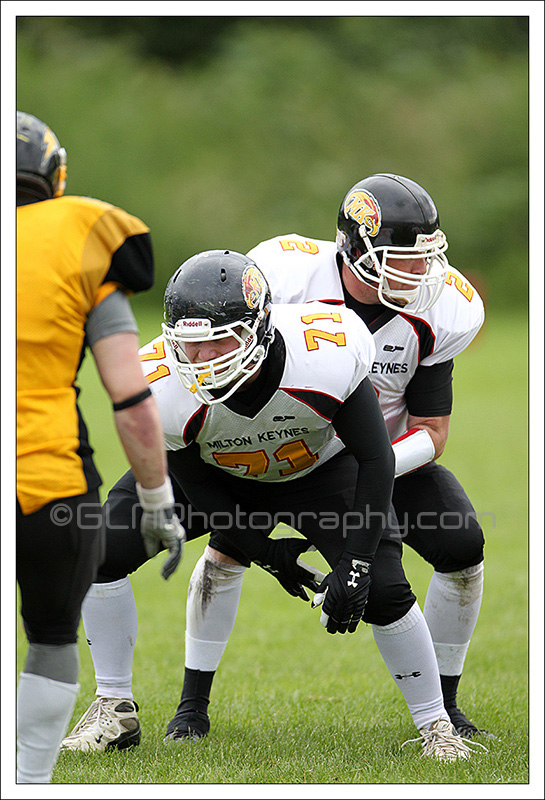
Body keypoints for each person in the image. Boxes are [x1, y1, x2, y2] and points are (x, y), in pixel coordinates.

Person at [61, 249, 484, 762]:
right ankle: (113, 708)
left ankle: (436, 725)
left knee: (383, 589)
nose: (202, 358)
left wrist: (355, 562)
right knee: (100, 549)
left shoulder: (327, 351)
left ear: (259, 328)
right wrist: (268, 554)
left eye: (219, 339)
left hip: (316, 469)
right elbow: (203, 492)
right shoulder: (163, 387)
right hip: (218, 471)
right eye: (189, 343)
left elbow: (375, 459)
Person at [16, 111, 184, 784]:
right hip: (44, 475)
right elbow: (131, 398)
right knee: (51, 637)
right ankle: (29, 781)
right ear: (54, 177)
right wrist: (156, 499)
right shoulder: (80, 235)